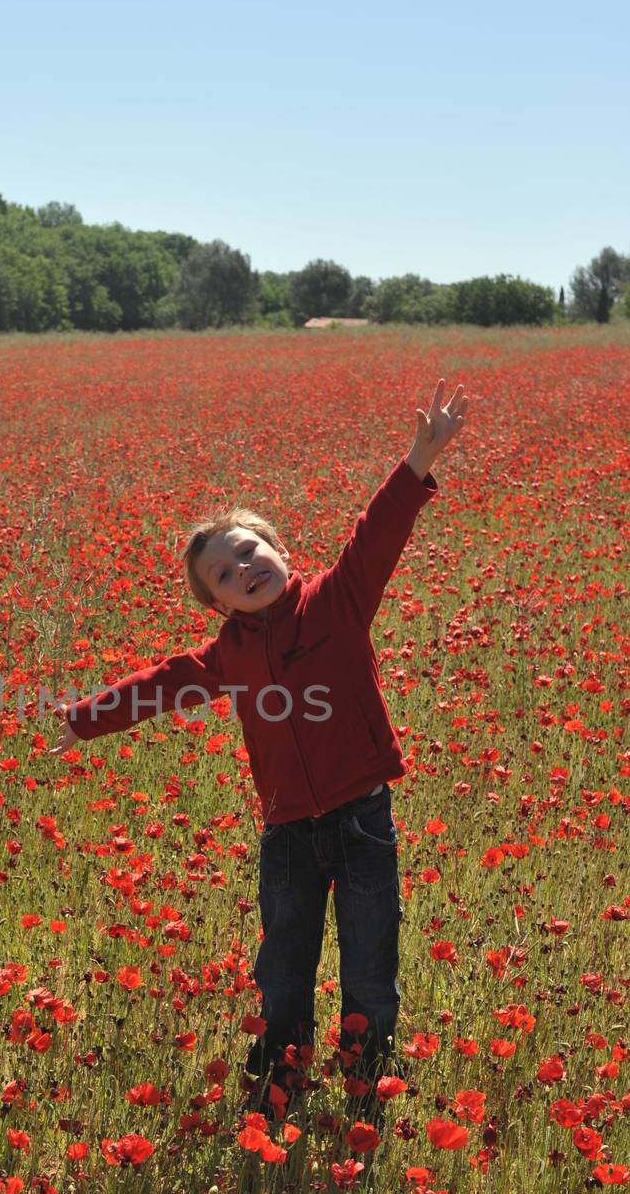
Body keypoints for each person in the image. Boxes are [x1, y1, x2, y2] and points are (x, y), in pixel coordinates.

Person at [49, 380, 469, 1125]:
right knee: (283, 966)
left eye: (249, 551)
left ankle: (367, 1076)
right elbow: (164, 683)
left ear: (279, 549)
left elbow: (375, 535)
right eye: (223, 573)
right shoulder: (225, 655)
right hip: (286, 834)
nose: (243, 568)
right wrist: (85, 719)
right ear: (217, 604)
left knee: (370, 964)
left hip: (363, 820)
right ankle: (280, 1072)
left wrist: (417, 460)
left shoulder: (336, 601)